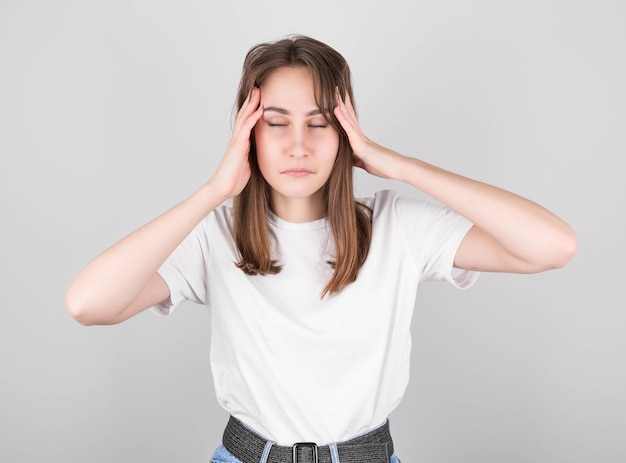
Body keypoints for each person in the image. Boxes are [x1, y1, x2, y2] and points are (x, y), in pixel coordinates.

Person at [65, 34, 577, 463]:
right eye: (276, 122)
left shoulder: (397, 226)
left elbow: (552, 246)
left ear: (344, 135)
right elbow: (88, 304)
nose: (298, 145)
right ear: (248, 136)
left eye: (318, 122)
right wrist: (212, 192)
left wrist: (399, 165)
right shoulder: (212, 234)